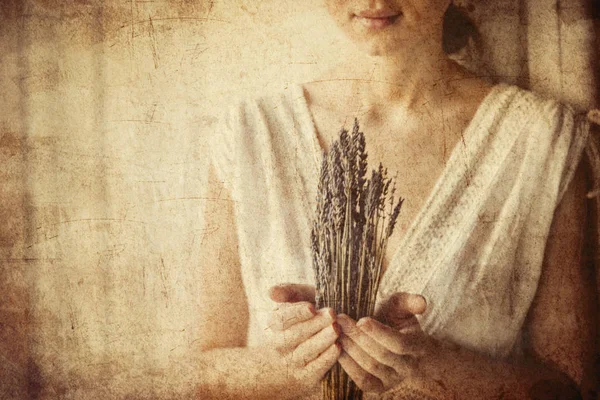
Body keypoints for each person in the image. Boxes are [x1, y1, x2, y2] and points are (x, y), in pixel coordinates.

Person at [198, 1, 597, 399]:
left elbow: (572, 388)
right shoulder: (250, 135)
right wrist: (291, 366)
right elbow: (195, 375)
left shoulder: (541, 141)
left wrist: (435, 368)